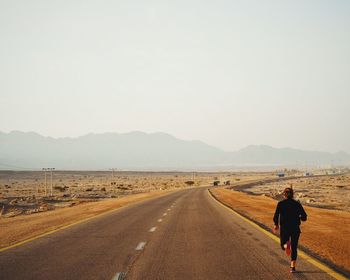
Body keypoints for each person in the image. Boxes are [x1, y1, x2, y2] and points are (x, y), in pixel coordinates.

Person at [273, 186, 307, 273]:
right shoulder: (297, 204)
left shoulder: (280, 204)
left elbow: (276, 216)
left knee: (283, 245)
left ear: (284, 194)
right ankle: (293, 267)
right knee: (294, 248)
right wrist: (299, 216)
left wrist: (276, 225)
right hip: (295, 228)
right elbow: (304, 217)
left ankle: (286, 246)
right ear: (293, 195)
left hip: (285, 228)